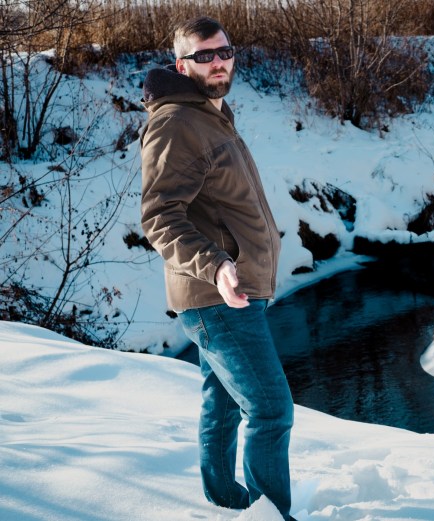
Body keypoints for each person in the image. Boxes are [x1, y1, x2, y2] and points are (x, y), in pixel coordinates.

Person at [139, 16, 295, 520]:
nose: (218, 62)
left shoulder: (210, 114)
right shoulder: (175, 123)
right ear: (182, 65)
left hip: (234, 291)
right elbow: (160, 216)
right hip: (218, 296)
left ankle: (226, 504)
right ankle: (271, 515)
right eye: (204, 56)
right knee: (270, 410)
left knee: (223, 401)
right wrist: (217, 266)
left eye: (224, 51)